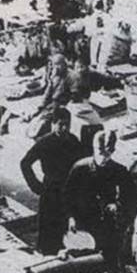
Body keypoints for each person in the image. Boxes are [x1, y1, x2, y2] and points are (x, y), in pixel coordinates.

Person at [64, 130, 135, 270]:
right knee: (80, 259)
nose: (103, 157)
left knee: (106, 259)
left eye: (108, 153)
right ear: (94, 149)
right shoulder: (80, 168)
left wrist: (117, 205)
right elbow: (68, 196)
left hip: (106, 222)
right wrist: (70, 217)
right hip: (82, 220)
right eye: (100, 152)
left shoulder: (119, 170)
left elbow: (130, 196)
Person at [20, 107, 83, 255]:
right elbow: (25, 163)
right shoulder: (44, 142)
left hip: (69, 191)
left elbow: (80, 165)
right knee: (48, 232)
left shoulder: (73, 141)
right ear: (53, 124)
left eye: (67, 124)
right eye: (60, 124)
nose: (64, 128)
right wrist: (36, 186)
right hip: (50, 191)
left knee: (68, 232)